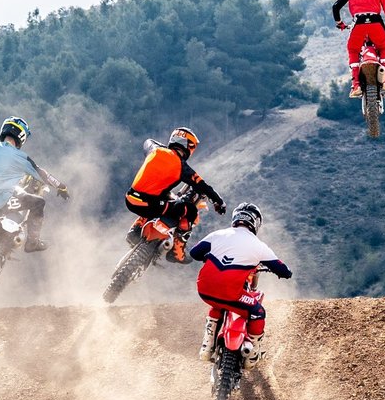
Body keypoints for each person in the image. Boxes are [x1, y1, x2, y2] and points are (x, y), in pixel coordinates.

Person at [189, 202, 292, 362]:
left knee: (217, 304)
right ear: (256, 223)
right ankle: (253, 354)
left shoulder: (217, 234)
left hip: (204, 288)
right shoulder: (259, 246)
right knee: (258, 312)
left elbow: (194, 253)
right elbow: (283, 271)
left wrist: (211, 257)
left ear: (235, 218)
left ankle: (207, 345)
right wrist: (285, 273)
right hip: (231, 294)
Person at [124, 126, 226, 261]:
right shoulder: (182, 167)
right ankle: (177, 252)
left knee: (161, 195)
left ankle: (135, 230)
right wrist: (219, 202)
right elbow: (204, 187)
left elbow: (148, 142)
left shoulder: (155, 149)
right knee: (190, 210)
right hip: (150, 206)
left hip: (130, 198)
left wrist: (161, 148)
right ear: (186, 145)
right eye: (192, 146)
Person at [0, 116, 68, 252]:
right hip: (0, 199)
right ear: (22, 136)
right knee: (38, 203)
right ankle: (32, 243)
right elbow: (42, 174)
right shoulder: (21, 157)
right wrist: (61, 187)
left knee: (2, 199)